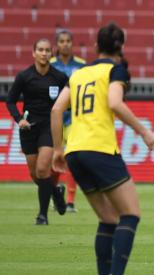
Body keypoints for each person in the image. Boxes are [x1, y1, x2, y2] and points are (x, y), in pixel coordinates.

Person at [51, 22, 154, 275]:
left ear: (95, 47)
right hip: (99, 149)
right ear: (120, 47)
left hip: (74, 150)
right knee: (131, 214)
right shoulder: (116, 70)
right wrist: (145, 131)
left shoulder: (78, 73)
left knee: (108, 218)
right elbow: (114, 102)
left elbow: (56, 109)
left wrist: (57, 149)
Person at [5, 38, 68, 225]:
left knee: (43, 169)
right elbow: (10, 101)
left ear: (52, 53)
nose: (44, 53)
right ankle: (56, 192)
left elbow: (70, 98)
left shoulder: (59, 77)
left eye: (47, 50)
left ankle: (42, 215)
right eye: (40, 50)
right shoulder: (24, 76)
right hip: (29, 128)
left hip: (49, 127)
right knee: (36, 175)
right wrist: (19, 119)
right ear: (33, 53)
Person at [50, 28, 86, 213]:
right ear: (57, 44)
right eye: (62, 41)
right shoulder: (49, 64)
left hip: (74, 119)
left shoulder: (81, 65)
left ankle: (70, 201)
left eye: (68, 41)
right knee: (54, 159)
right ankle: (55, 196)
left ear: (72, 44)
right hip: (55, 118)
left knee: (71, 158)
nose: (65, 44)